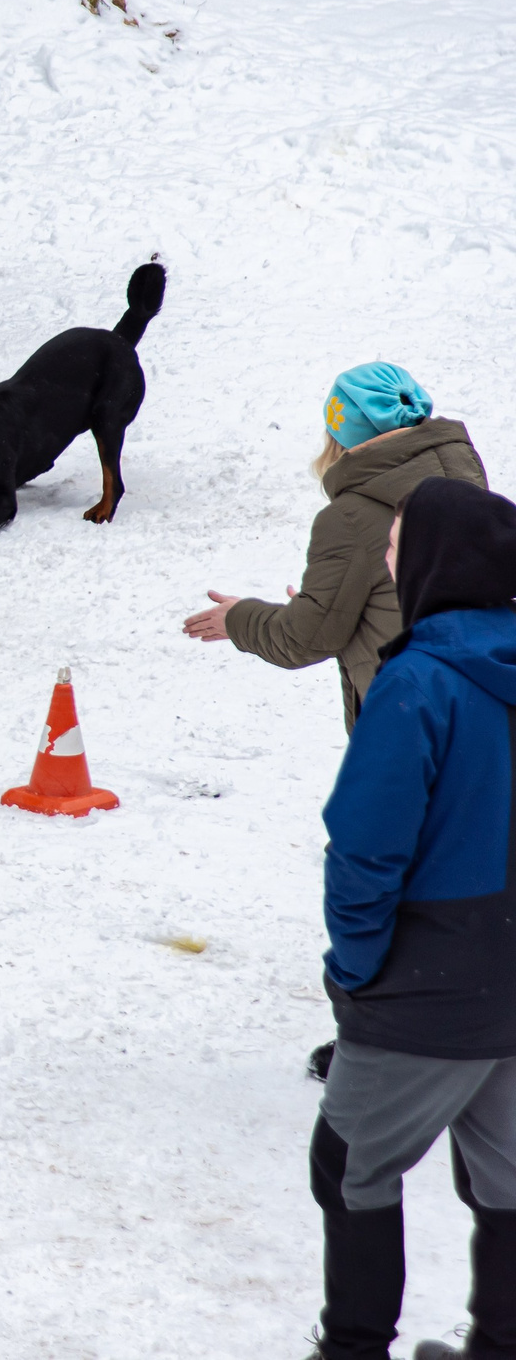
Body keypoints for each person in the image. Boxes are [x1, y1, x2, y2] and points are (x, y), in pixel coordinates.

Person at [309, 477, 516, 1360]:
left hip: (427, 986)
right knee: (508, 1180)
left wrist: (357, 968)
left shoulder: (420, 684)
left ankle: (353, 1350)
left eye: (397, 545)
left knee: (350, 1164)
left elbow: (364, 848)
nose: (389, 558)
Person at [184, 364, 486, 732]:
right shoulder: (471, 489)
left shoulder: (351, 519)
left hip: (412, 728)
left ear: (340, 435)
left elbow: (305, 638)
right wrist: (335, 599)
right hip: (486, 719)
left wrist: (236, 619)